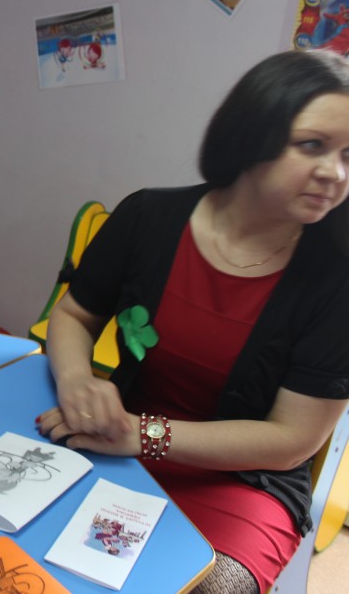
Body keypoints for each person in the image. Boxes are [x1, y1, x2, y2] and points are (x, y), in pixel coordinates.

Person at [37, 49, 349, 594]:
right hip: (121, 437)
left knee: (202, 586)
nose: (335, 174)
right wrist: (77, 378)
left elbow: (291, 440)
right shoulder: (147, 217)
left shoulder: (337, 277)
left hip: (243, 483)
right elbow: (74, 314)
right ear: (252, 135)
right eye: (312, 145)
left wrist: (143, 435)